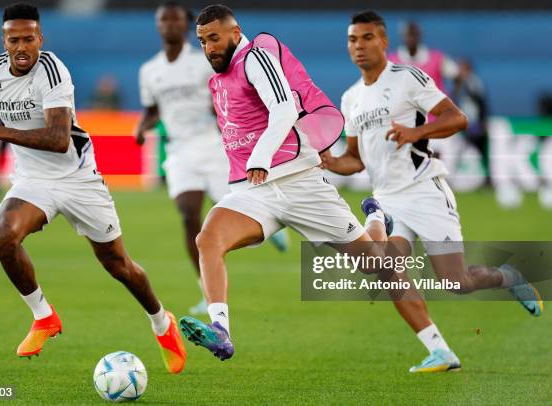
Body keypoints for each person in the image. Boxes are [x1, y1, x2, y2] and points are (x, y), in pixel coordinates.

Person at [0, 3, 186, 374]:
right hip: (33, 179)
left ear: (40, 38)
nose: (22, 47)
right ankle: (43, 316)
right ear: (4, 40)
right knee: (3, 235)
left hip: (79, 177)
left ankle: (162, 323)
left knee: (118, 265)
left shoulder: (52, 71)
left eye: (29, 38)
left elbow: (59, 139)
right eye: (14, 39)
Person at [322, 10, 543, 373]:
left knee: (456, 282)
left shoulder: (407, 79)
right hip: (389, 199)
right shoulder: (351, 99)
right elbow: (355, 160)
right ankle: (440, 350)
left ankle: (509, 277)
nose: (359, 46)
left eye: (366, 38)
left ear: (383, 41)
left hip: (425, 190)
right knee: (386, 268)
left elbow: (457, 118)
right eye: (352, 40)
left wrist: (416, 133)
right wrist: (331, 162)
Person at [178, 4, 393, 361]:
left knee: (377, 267)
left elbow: (283, 110)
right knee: (208, 239)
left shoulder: (255, 58)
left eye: (214, 38)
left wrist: (260, 156)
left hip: (299, 182)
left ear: (235, 33)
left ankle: (377, 220)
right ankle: (220, 331)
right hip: (253, 192)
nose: (209, 48)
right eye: (202, 42)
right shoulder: (217, 79)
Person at [134, 1, 289, 315]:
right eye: (164, 21)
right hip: (179, 150)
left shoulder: (204, 60)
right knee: (189, 213)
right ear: (158, 25)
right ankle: (205, 290)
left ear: (186, 25)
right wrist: (141, 127)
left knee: (242, 210)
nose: (169, 26)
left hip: (215, 146)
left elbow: (229, 90)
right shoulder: (149, 71)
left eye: (176, 20)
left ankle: (273, 226)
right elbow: (152, 109)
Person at [388, 21, 458, 95]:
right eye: (409, 35)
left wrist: (452, 96)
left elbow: (457, 75)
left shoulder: (437, 59)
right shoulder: (391, 61)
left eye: (414, 35)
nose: (411, 38)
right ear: (403, 36)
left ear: (419, 35)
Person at [452, 59, 490, 183]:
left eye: (462, 69)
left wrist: (483, 121)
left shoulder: (473, 82)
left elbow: (481, 102)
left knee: (481, 152)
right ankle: (453, 177)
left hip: (476, 124)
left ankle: (488, 179)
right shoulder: (461, 83)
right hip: (466, 123)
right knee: (460, 150)